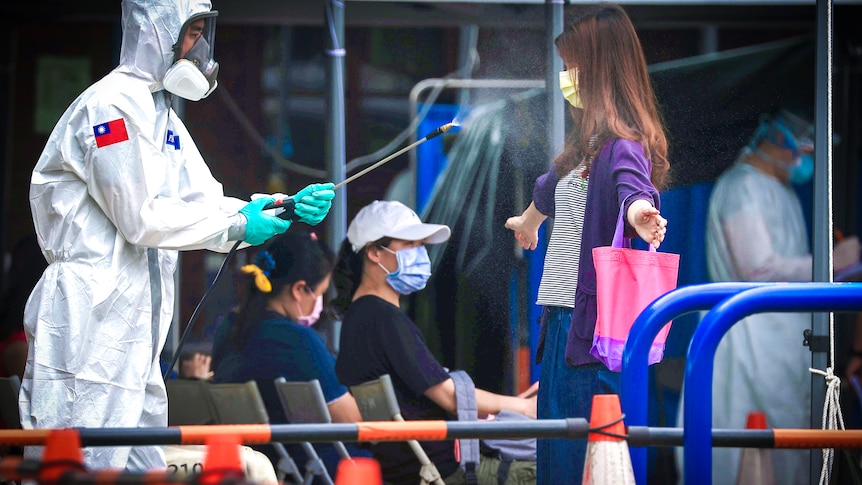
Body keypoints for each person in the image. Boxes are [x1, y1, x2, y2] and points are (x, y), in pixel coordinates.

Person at [21, 0, 335, 472]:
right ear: (155, 31)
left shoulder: (162, 114)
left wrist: (276, 209)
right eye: (190, 33)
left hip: (137, 329)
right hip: (87, 324)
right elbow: (140, 218)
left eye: (203, 33)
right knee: (76, 468)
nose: (199, 48)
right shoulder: (109, 107)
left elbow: (202, 201)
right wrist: (238, 224)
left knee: (141, 467)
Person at [505, 3, 669, 482]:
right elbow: (547, 189)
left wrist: (641, 214)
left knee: (576, 463)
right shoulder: (586, 149)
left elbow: (633, 188)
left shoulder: (622, 146)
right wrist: (528, 223)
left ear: (600, 72)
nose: (565, 77)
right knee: (560, 456)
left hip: (590, 335)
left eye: (572, 67)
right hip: (562, 326)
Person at [698, 109, 860, 484]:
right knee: (754, 452)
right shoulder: (743, 187)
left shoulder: (781, 190)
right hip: (752, 347)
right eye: (803, 149)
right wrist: (832, 263)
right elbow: (758, 269)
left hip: (786, 346)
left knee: (791, 451)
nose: (804, 161)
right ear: (778, 139)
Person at [332, 200, 538, 485]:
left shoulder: (361, 317)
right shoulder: (383, 319)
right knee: (557, 468)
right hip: (442, 471)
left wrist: (513, 403)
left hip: (408, 467)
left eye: (422, 246)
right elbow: (451, 397)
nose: (421, 255)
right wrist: (524, 408)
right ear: (375, 252)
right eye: (410, 245)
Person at [211, 230, 368, 479]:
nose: (320, 304)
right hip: (304, 467)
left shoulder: (231, 328)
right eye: (320, 294)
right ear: (299, 290)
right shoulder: (295, 339)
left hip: (255, 464)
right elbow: (351, 418)